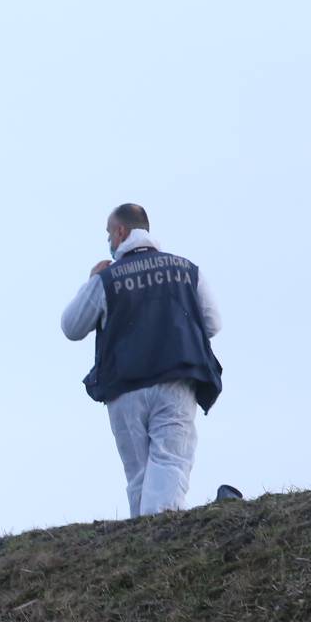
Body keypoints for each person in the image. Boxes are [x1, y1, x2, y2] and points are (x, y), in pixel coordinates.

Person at [61, 203, 223, 517]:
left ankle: (141, 544)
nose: (109, 240)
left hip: (124, 389)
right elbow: (213, 323)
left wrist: (91, 281)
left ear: (121, 232)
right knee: (170, 464)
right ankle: (160, 540)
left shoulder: (107, 280)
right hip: (176, 382)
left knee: (139, 476)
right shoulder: (188, 271)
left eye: (109, 233)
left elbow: (71, 326)